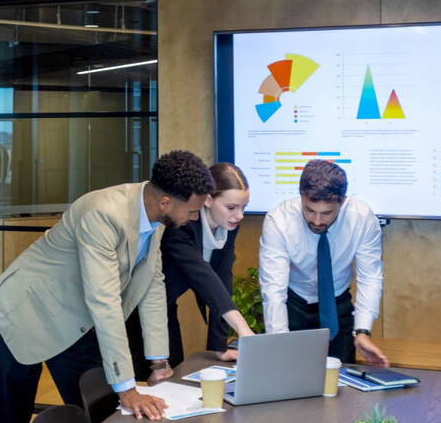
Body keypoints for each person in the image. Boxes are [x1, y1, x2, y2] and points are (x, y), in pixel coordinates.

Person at [0, 150, 215, 423]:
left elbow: (152, 287)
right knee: (9, 422)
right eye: (192, 211)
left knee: (100, 414)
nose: (195, 218)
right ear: (165, 203)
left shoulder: (157, 220)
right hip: (25, 310)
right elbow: (104, 300)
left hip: (76, 319)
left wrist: (158, 363)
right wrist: (128, 387)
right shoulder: (103, 213)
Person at [127, 162, 257, 375]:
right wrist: (243, 329)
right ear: (207, 200)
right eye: (231, 207)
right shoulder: (181, 223)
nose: (239, 215)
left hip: (166, 305)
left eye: (244, 207)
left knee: (175, 370)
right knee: (147, 376)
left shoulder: (228, 227)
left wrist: (219, 346)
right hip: (138, 306)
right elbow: (203, 276)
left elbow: (222, 280)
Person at [258, 160, 389, 366]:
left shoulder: (362, 218)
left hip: (337, 305)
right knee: (290, 376)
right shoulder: (279, 221)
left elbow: (370, 276)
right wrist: (279, 341)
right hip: (294, 304)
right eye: (309, 210)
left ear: (342, 201)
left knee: (341, 382)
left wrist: (362, 331)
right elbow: (273, 290)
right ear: (301, 196)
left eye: (327, 213)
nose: (317, 221)